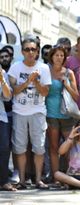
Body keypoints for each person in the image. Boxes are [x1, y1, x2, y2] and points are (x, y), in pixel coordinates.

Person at [8, 37, 51, 190]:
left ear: (37, 51)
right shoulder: (15, 67)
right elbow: (13, 92)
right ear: (22, 51)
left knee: (39, 147)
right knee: (19, 147)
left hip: (38, 112)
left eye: (33, 49)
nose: (30, 52)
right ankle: (22, 180)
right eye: (27, 49)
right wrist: (28, 82)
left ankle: (38, 180)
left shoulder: (44, 68)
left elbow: (45, 92)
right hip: (19, 112)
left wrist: (36, 81)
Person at [46, 45, 79, 184]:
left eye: (61, 55)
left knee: (69, 146)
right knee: (53, 147)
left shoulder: (69, 73)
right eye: (56, 55)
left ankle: (69, 176)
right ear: (51, 57)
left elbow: (76, 96)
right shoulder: (46, 71)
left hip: (67, 114)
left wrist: (67, 85)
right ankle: (56, 177)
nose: (59, 57)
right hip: (51, 113)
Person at [0, 66, 15, 191]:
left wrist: (1, 79)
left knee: (4, 148)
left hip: (1, 116)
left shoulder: (2, 72)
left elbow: (7, 96)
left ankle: (3, 181)